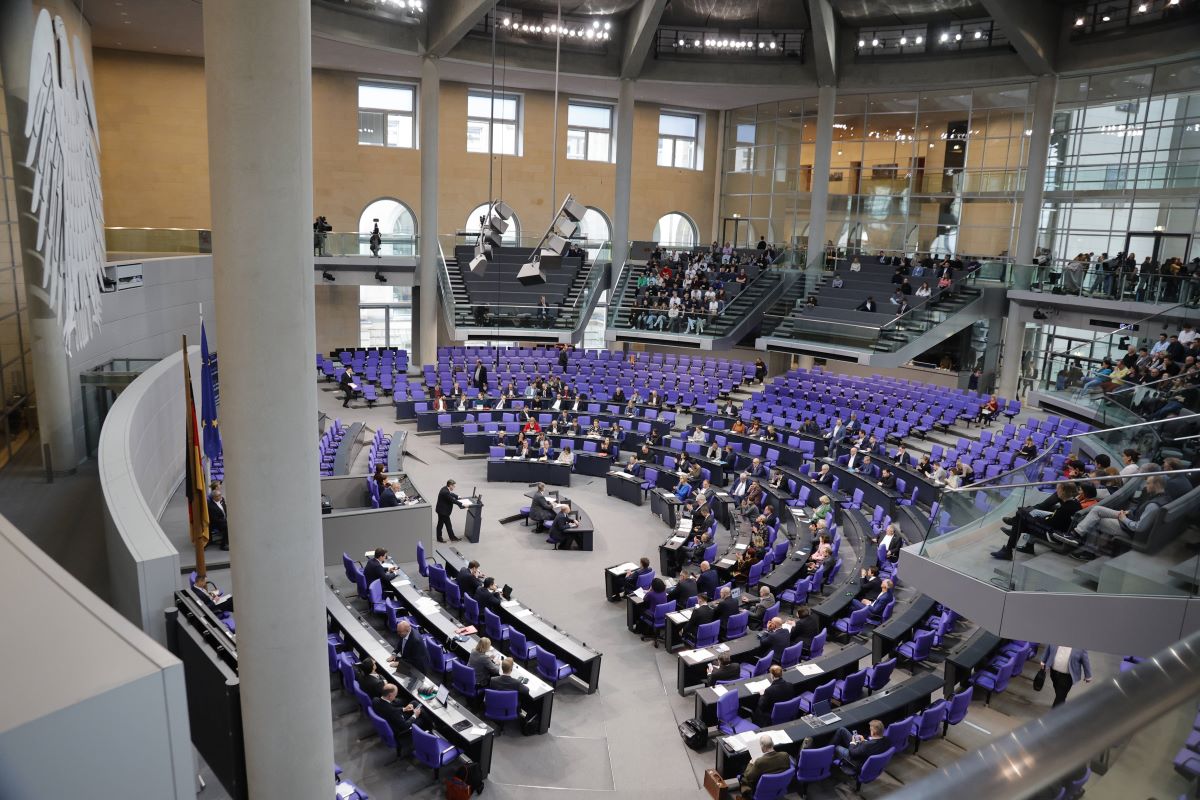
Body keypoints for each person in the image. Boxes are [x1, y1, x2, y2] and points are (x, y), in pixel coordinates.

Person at [991, 482, 1082, 560]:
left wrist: (1034, 517)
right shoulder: (1075, 504)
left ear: (1062, 491)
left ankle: (1008, 550)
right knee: (1022, 516)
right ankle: (1021, 546)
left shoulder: (1065, 508)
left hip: (1053, 535)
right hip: (1058, 529)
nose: (1056, 491)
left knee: (1021, 516)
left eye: (1057, 489)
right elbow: (1056, 519)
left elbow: (1049, 523)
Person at [371, 683, 421, 747]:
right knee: (421, 720)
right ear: (390, 696)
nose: (396, 696)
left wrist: (404, 709)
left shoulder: (375, 700)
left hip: (391, 719)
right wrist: (415, 716)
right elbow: (405, 726)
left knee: (413, 702)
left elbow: (390, 709)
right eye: (395, 694)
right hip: (398, 729)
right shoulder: (393, 711)